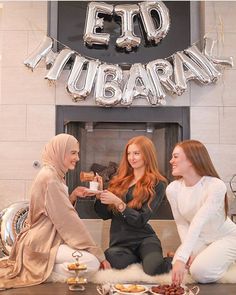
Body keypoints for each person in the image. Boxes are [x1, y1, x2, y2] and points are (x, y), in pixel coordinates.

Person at [0, 133, 109, 290]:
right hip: (41, 242)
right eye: (73, 153)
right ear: (60, 151)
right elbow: (69, 221)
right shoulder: (50, 178)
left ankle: (38, 267)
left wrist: (72, 196)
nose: (77, 158)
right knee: (92, 263)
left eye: (77, 153)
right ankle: (38, 269)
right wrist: (99, 254)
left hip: (48, 240)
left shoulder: (54, 175)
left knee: (89, 262)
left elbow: (55, 212)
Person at [93, 135, 172, 276]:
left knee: (154, 270)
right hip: (121, 243)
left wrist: (119, 203)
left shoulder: (158, 184)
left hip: (145, 238)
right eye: (129, 153)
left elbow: (141, 219)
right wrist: (99, 194)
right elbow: (104, 215)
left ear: (147, 155)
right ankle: (141, 259)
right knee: (112, 259)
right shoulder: (118, 181)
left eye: (136, 153)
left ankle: (171, 259)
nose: (131, 158)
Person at [166, 139, 236, 285]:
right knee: (178, 266)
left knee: (200, 273)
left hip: (225, 237)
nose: (171, 161)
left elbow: (198, 221)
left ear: (191, 159)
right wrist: (188, 252)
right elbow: (182, 223)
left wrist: (183, 257)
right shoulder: (173, 189)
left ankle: (228, 260)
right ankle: (209, 257)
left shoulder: (215, 186)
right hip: (200, 238)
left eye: (176, 156)